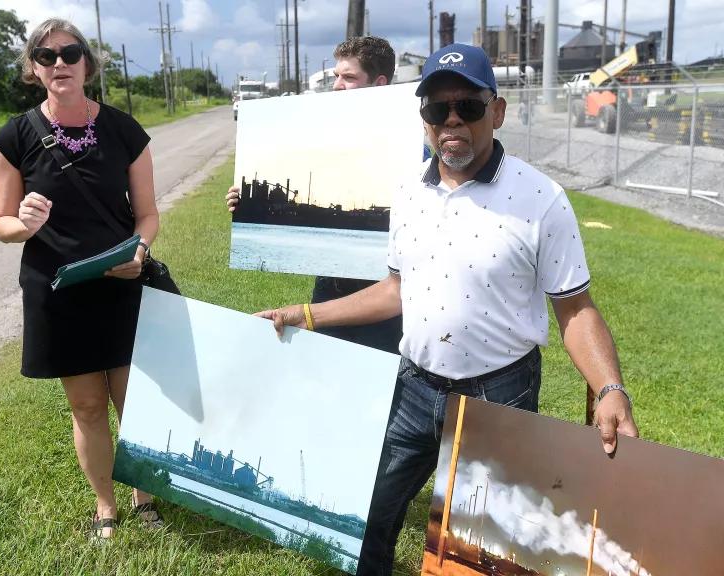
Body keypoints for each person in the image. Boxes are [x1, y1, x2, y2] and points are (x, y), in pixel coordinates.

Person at [257, 43, 639, 576]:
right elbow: (396, 290)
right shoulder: (409, 190)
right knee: (368, 516)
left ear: (497, 111)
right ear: (424, 120)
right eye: (438, 109)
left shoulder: (542, 199)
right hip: (413, 389)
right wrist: (308, 314)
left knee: (474, 554)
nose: (452, 119)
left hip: (497, 397)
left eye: (469, 106)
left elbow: (575, 310)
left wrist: (610, 388)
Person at [0, 18, 162, 540]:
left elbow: (148, 214)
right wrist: (24, 224)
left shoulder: (123, 129)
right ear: (34, 69)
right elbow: (1, 225)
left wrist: (140, 250)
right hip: (57, 291)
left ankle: (145, 498)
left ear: (88, 62)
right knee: (86, 405)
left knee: (132, 399)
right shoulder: (15, 136)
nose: (59, 63)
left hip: (122, 282)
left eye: (70, 52)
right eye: (46, 56)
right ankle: (105, 506)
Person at [226, 36, 402, 354]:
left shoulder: (410, 150)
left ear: (379, 83)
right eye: (336, 75)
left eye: (348, 77)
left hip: (384, 295)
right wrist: (246, 206)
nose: (336, 85)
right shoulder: (322, 140)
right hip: (330, 285)